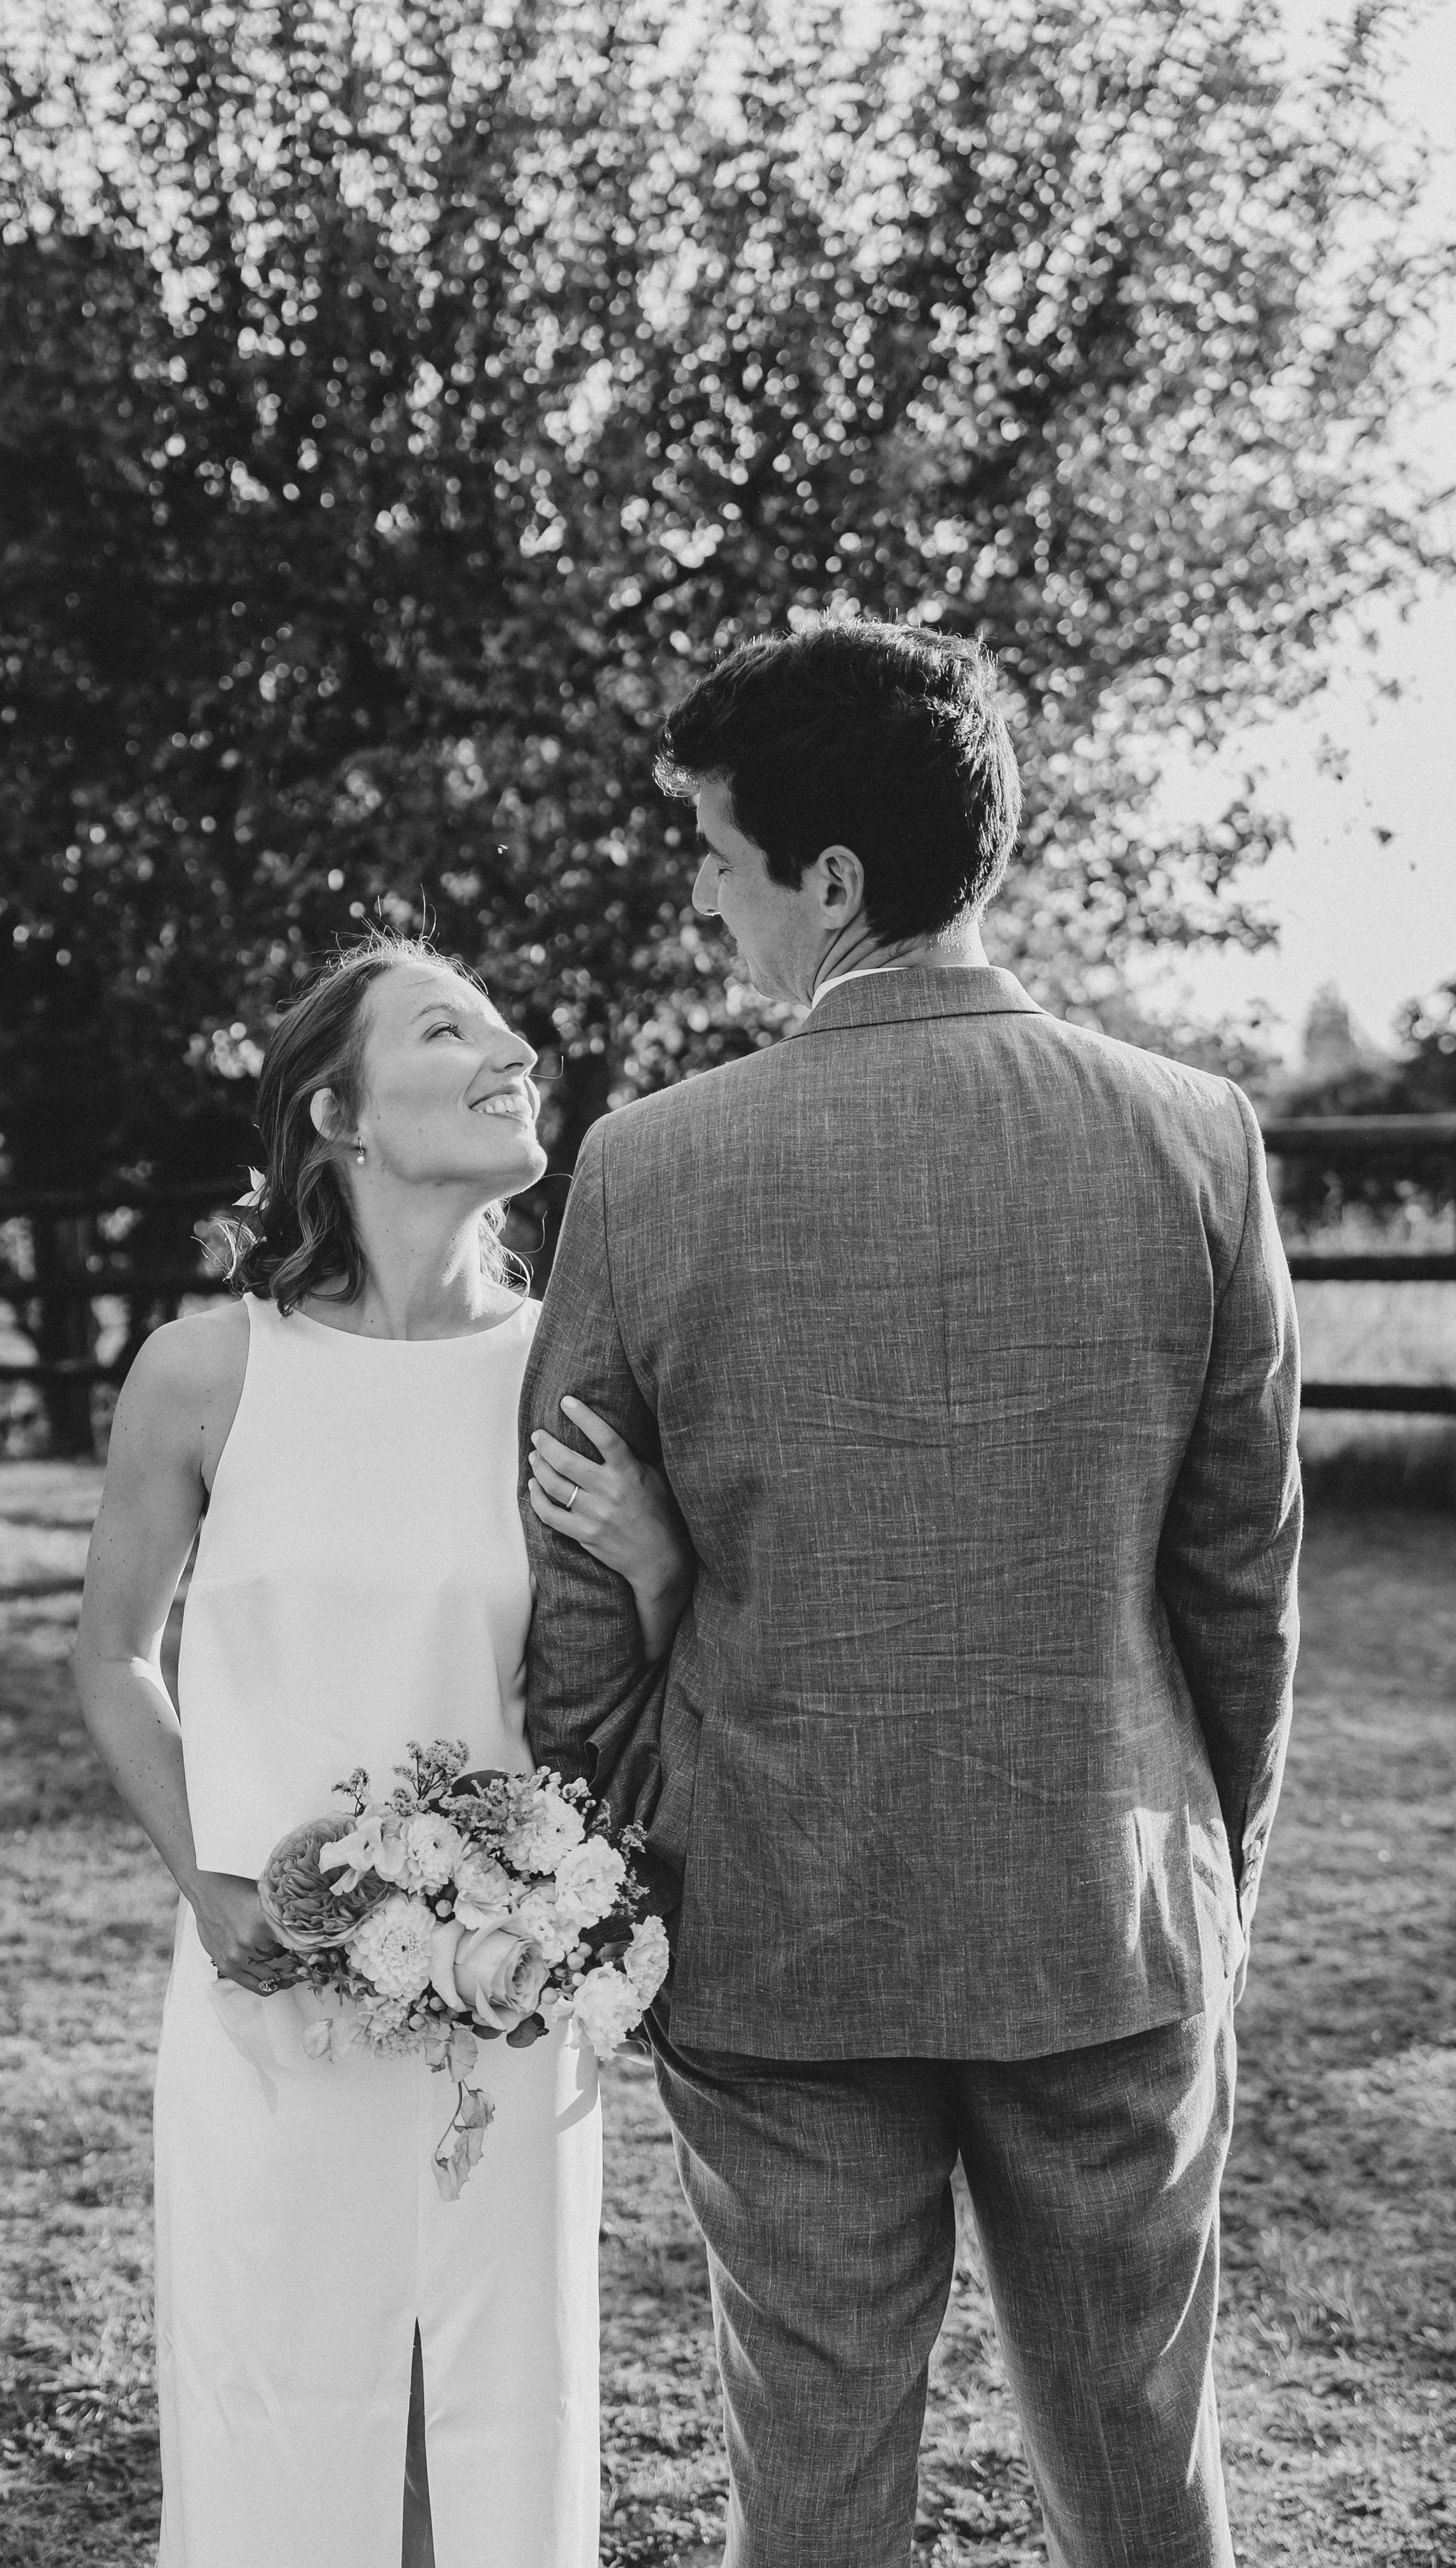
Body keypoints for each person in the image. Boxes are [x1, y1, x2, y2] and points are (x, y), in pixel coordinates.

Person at [521, 616, 1302, 2568]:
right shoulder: (1194, 1135)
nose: (703, 900)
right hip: (1105, 1916)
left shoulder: (647, 1165)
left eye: (715, 854)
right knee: (1142, 2463)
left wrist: (604, 1862)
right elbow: (1239, 1580)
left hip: (777, 1925)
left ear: (831, 880)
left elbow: (577, 1593)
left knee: (812, 2483)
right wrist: (1208, 1868)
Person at [74, 933, 692, 2568]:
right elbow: (113, 1659)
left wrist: (656, 1562)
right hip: (268, 1994)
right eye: (446, 1029)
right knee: (279, 2401)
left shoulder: (568, 1372)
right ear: (337, 1114)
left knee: (493, 2414)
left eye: (506, 1030)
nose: (513, 1053)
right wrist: (208, 1882)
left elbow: (652, 1681)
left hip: (505, 1994)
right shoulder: (205, 1371)